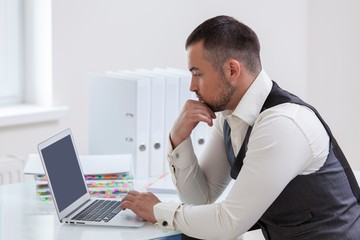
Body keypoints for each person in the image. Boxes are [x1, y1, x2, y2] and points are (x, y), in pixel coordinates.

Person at [120, 15, 360, 240]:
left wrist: (158, 211)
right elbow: (201, 200)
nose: (192, 86)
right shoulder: (229, 115)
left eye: (198, 74)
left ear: (232, 70)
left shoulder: (282, 125)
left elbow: (228, 223)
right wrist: (178, 139)